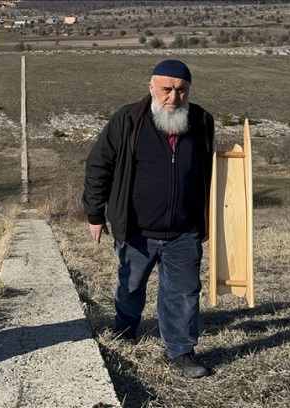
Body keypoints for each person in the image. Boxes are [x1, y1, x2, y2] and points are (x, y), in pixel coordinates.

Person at [82, 59, 214, 379]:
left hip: (184, 230)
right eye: (166, 89)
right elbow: (99, 165)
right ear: (151, 87)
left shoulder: (201, 121)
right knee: (131, 286)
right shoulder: (128, 119)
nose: (174, 97)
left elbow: (211, 174)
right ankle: (125, 331)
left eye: (181, 90)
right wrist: (94, 214)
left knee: (183, 292)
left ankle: (181, 351)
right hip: (137, 228)